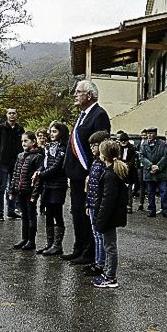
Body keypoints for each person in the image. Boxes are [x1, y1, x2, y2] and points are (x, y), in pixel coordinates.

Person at [64, 80, 111, 265]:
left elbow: (100, 146)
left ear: (89, 95)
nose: (75, 95)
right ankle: (79, 247)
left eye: (78, 92)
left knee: (87, 214)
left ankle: (89, 252)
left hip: (88, 175)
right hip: (76, 175)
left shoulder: (99, 115)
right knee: (76, 212)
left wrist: (93, 172)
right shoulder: (82, 115)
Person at [90, 138, 130, 289]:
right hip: (111, 216)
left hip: (109, 217)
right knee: (109, 245)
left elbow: (108, 200)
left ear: (104, 155)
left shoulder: (110, 175)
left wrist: (101, 219)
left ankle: (110, 276)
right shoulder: (111, 171)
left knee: (110, 247)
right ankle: (107, 273)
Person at [35, 122, 70, 255]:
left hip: (58, 184)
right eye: (51, 131)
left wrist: (41, 175)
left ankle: (57, 245)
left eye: (54, 131)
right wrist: (38, 171)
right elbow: (44, 164)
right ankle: (49, 243)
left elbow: (56, 167)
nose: (51, 134)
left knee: (57, 213)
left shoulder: (62, 149)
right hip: (47, 184)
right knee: (48, 213)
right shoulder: (49, 147)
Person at [83, 130, 113, 276]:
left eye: (95, 145)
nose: (92, 148)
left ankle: (101, 264)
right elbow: (91, 186)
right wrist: (88, 204)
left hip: (99, 205)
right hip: (93, 204)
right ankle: (97, 261)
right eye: (91, 146)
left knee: (100, 236)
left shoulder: (105, 165)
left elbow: (102, 188)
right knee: (95, 235)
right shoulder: (95, 162)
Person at [11, 132, 44, 250]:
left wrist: (35, 194)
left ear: (33, 142)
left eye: (26, 141)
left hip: (30, 192)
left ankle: (31, 240)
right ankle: (24, 238)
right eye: (22, 141)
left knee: (31, 215)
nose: (23, 143)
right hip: (20, 190)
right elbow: (15, 174)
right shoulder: (20, 156)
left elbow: (38, 178)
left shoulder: (38, 156)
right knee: (24, 215)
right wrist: (12, 190)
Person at [0, 108, 25, 220]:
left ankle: (11, 211)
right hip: (3, 161)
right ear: (6, 115)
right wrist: (1, 154)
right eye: (9, 113)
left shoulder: (20, 129)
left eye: (14, 113)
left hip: (16, 161)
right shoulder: (0, 128)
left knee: (13, 186)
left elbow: (23, 143)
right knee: (2, 186)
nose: (12, 115)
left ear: (17, 115)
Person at [138, 128, 167, 218]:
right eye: (148, 133)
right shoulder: (143, 144)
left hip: (161, 172)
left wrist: (158, 167)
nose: (149, 135)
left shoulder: (162, 144)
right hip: (149, 172)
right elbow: (141, 157)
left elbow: (166, 156)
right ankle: (151, 210)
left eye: (151, 133)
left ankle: (165, 210)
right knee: (150, 193)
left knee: (163, 192)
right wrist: (150, 166)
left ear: (155, 134)